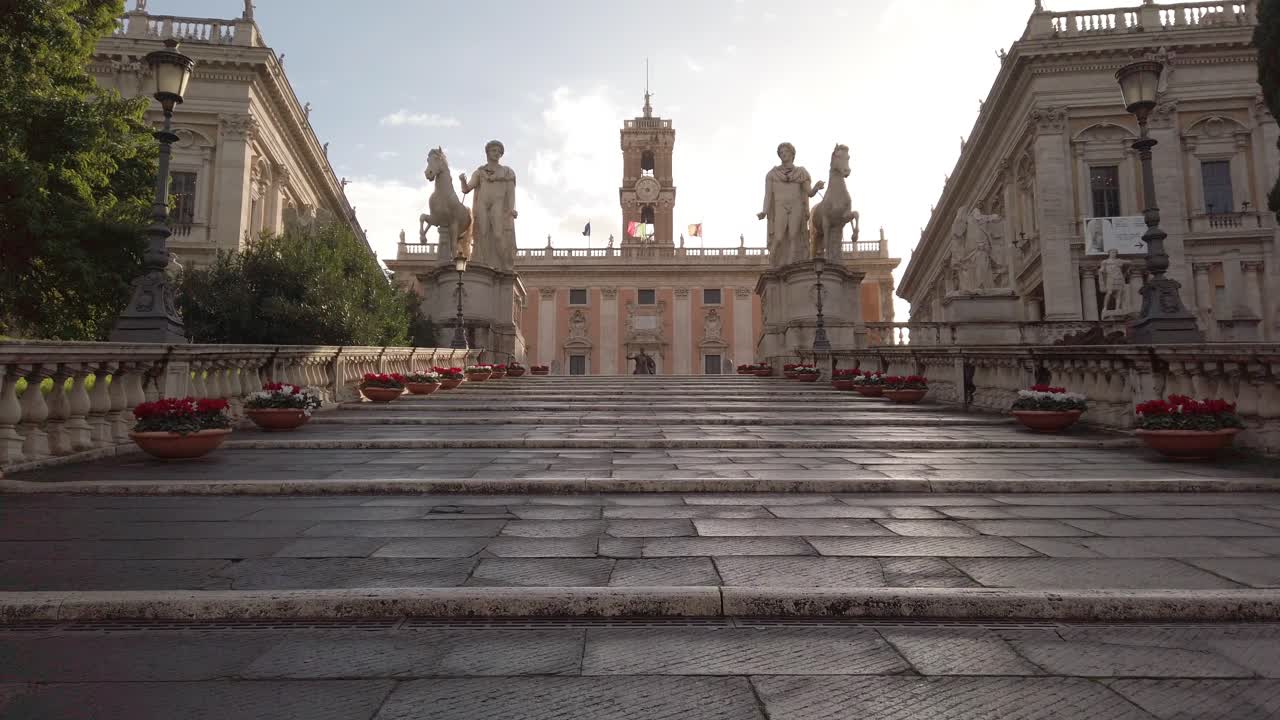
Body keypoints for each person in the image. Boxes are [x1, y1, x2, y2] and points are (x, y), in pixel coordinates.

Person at [757, 142, 824, 267]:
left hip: (796, 206)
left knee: (794, 236)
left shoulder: (801, 172)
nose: (783, 154)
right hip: (780, 206)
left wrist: (816, 187)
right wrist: (765, 211)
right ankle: (772, 261)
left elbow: (809, 192)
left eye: (786, 152)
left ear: (792, 154)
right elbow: (768, 195)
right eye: (781, 153)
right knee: (779, 236)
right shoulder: (772, 174)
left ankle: (791, 263)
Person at [459, 140, 518, 271]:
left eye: (499, 151)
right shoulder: (480, 172)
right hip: (482, 204)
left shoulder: (507, 171)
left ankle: (506, 265)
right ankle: (485, 265)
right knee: (482, 234)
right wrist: (462, 180)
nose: (496, 153)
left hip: (498, 203)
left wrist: (512, 208)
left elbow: (511, 192)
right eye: (493, 150)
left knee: (498, 234)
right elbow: (466, 189)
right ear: (487, 153)